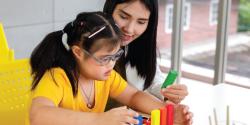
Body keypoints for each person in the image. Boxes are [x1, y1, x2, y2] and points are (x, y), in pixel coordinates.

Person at [28, 11, 191, 125]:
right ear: (78, 52)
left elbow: (133, 96)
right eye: (105, 58)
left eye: (115, 56)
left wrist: (168, 111)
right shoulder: (58, 78)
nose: (111, 64)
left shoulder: (106, 76)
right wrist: (99, 120)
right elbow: (38, 115)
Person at [103, 0, 188, 105]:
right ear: (110, 9)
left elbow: (152, 82)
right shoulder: (89, 50)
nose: (129, 29)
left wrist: (169, 92)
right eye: (123, 17)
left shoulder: (139, 45)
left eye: (141, 22)